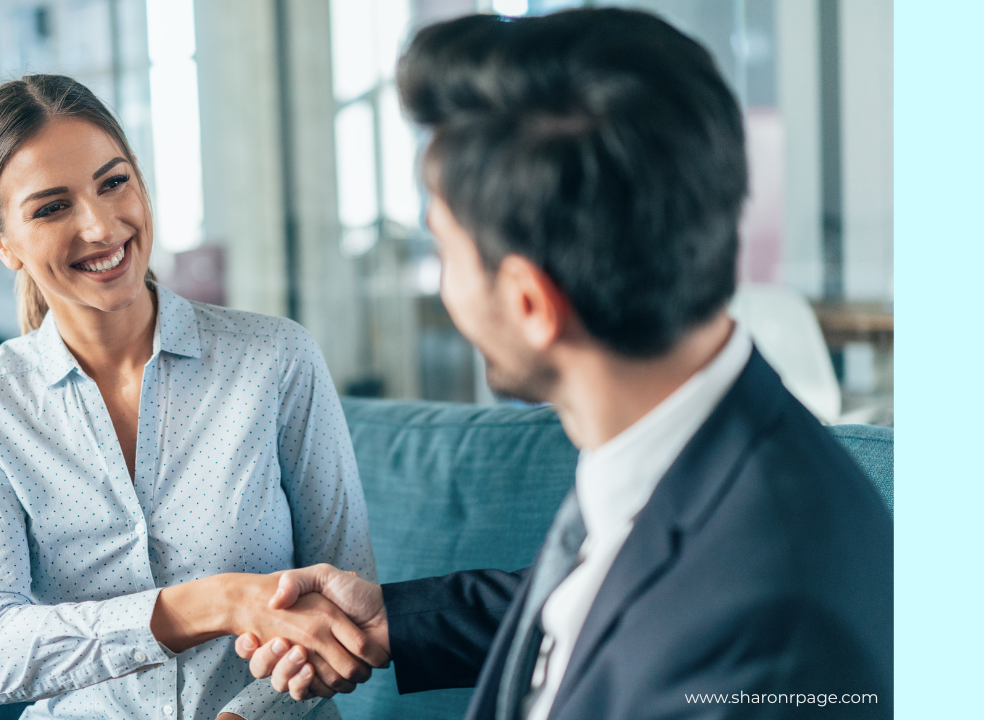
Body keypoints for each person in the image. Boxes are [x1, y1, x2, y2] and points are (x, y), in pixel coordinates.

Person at [236, 9, 893, 719]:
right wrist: (392, 621)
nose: (447, 290)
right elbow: (621, 599)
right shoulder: (680, 450)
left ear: (529, 303)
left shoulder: (766, 633)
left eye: (446, 254)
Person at [0, 74, 385, 720]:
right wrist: (216, 602)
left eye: (113, 182)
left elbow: (348, 607)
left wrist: (242, 716)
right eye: (52, 207)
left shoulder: (275, 360)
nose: (100, 225)